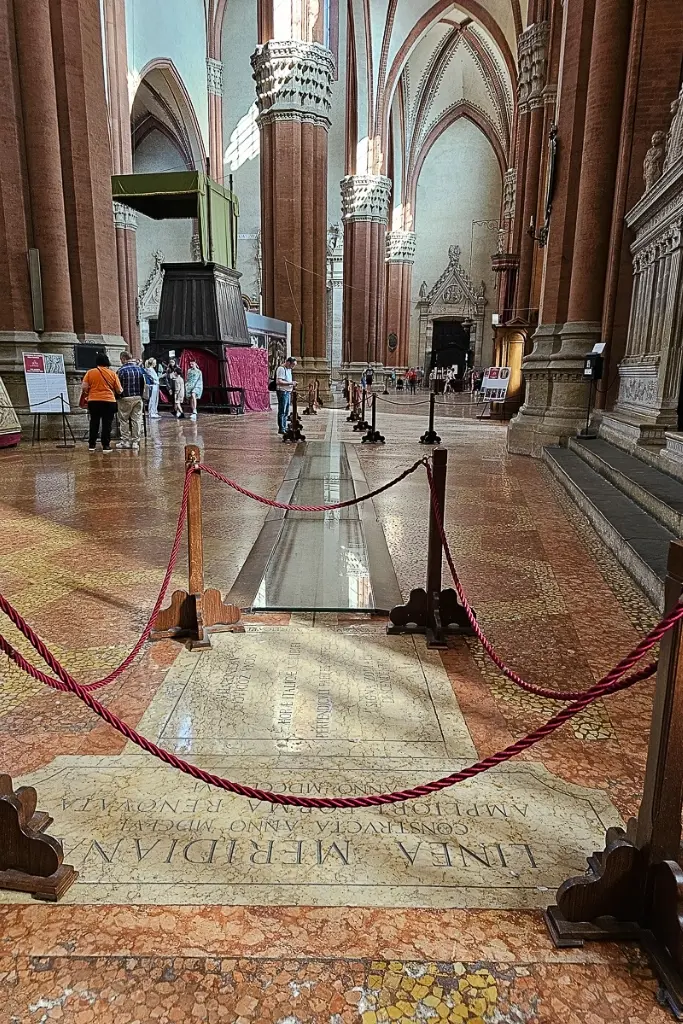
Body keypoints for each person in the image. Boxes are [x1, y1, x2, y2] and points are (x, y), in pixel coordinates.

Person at [80, 353, 122, 453]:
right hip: (108, 401)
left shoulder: (90, 372)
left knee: (94, 422)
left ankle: (92, 444)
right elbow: (119, 390)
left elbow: (84, 387)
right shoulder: (112, 374)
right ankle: (106, 445)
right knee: (107, 424)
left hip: (93, 400)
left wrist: (89, 392)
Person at [117, 350, 146, 450]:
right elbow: (144, 383)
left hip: (125, 398)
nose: (121, 361)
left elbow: (118, 386)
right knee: (137, 420)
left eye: (121, 359)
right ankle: (135, 442)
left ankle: (125, 441)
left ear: (124, 359)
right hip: (138, 397)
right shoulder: (139, 369)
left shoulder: (121, 370)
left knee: (124, 420)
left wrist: (118, 396)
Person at [276, 356, 297, 434]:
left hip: (287, 392)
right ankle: (282, 428)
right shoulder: (281, 369)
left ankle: (284, 427)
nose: (293, 367)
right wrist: (290, 383)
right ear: (288, 362)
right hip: (282, 392)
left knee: (286, 411)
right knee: (282, 410)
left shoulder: (288, 369)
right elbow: (279, 381)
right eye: (292, 365)